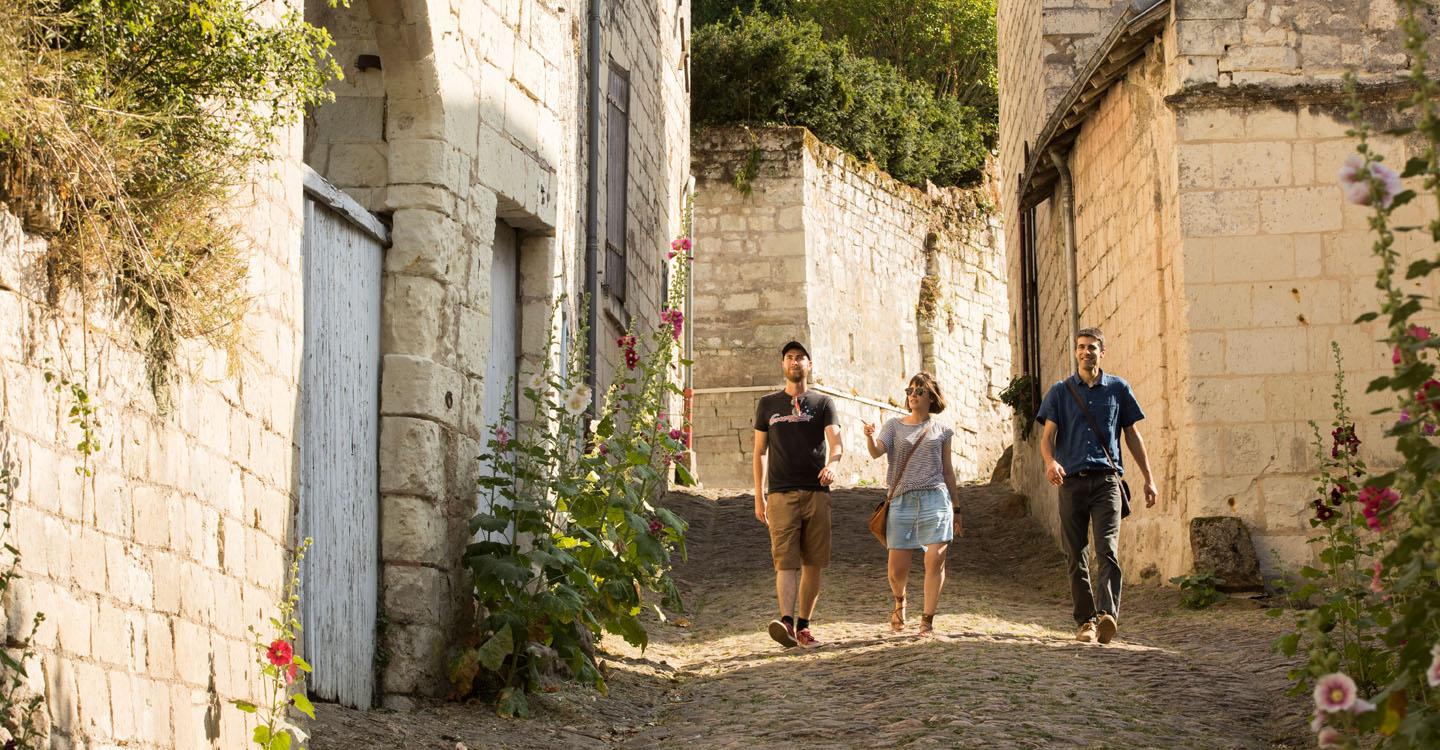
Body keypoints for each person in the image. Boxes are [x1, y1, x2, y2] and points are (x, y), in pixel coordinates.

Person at [1035, 327, 1158, 645]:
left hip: (1107, 482)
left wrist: (1148, 478)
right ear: (1075, 352)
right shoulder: (1060, 392)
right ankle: (1086, 622)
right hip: (1071, 482)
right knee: (1075, 554)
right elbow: (1046, 439)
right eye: (1080, 347)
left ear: (1102, 352)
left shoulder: (1118, 388)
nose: (1086, 352)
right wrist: (1051, 462)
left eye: (1092, 347)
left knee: (1108, 551)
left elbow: (1132, 435)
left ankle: (1106, 616)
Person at [754, 341, 843, 648]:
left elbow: (837, 443)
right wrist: (759, 495)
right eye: (789, 358)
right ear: (783, 365)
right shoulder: (767, 405)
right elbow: (759, 452)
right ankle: (787, 623)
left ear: (809, 365)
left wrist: (832, 464)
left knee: (814, 563)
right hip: (780, 494)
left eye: (800, 358)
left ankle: (804, 624)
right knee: (785, 561)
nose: (794, 362)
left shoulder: (823, 404)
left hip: (817, 493)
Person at [862, 372, 962, 637]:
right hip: (902, 500)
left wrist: (956, 507)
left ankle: (927, 620)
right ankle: (900, 600)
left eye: (919, 391)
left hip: (935, 498)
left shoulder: (942, 430)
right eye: (910, 391)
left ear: (931, 398)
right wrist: (870, 437)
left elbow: (948, 471)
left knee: (935, 560)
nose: (913, 395)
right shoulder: (894, 425)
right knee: (896, 568)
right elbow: (876, 452)